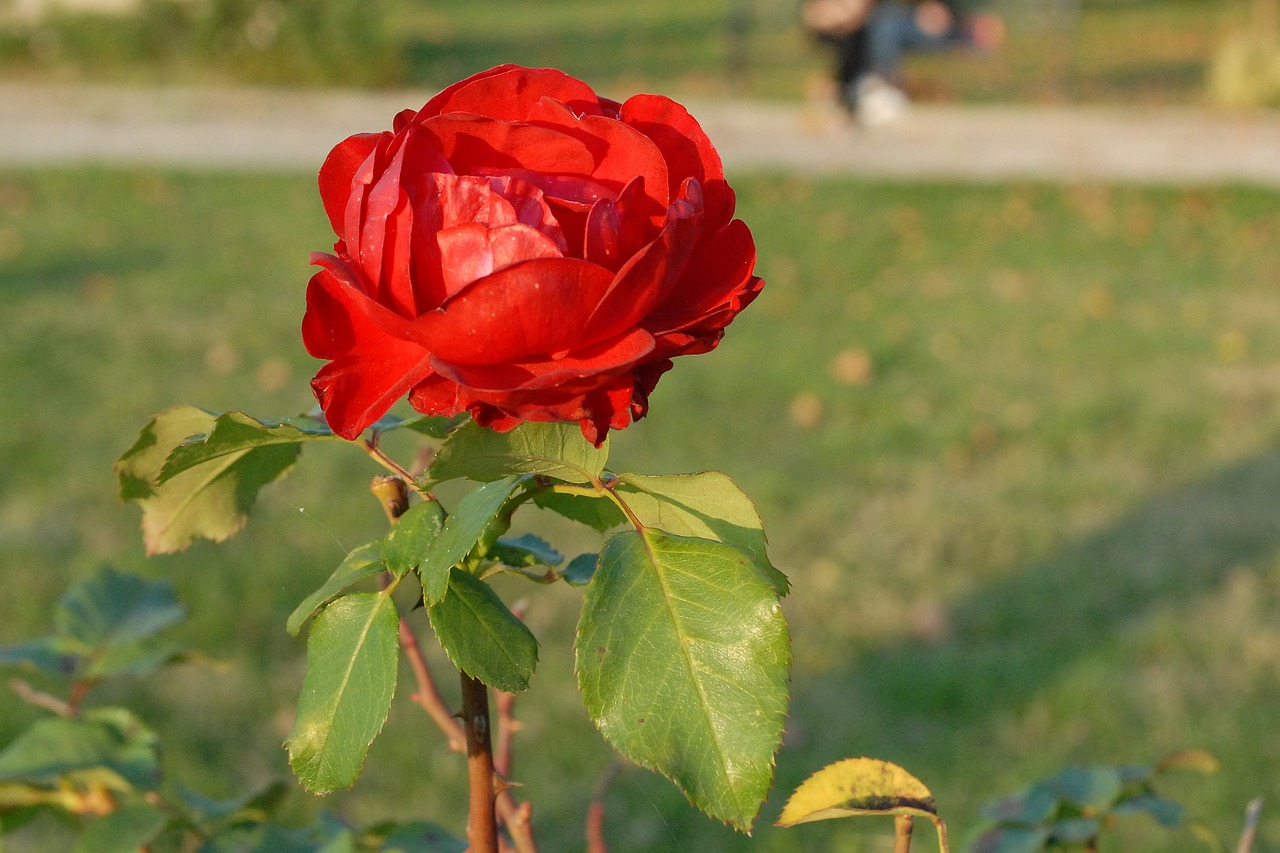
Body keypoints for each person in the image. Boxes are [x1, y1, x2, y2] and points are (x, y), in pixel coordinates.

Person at [804, 0, 1005, 125]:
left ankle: (878, 87)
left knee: (885, 23)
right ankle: (854, 87)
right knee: (872, 25)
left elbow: (937, 15)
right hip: (866, 25)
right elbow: (817, 15)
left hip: (917, 22)